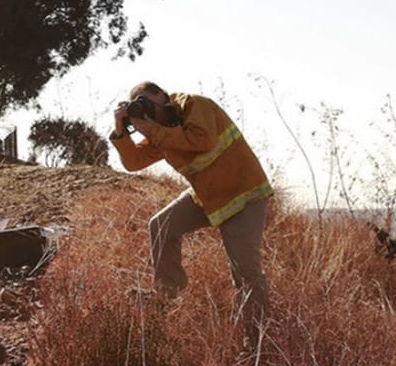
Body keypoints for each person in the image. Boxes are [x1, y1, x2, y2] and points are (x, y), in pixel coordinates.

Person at [110, 81, 274, 334]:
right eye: (139, 108)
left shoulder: (193, 104)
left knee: (244, 270)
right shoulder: (160, 130)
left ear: (161, 95)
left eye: (146, 103)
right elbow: (134, 162)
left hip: (244, 195)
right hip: (209, 196)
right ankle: (166, 296)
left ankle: (259, 333)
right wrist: (121, 131)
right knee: (161, 225)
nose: (146, 112)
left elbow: (203, 139)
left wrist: (153, 129)